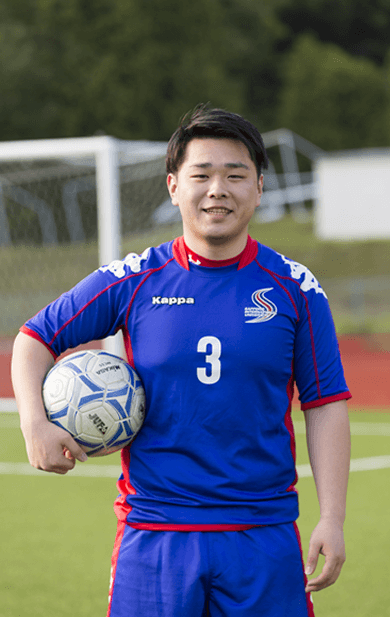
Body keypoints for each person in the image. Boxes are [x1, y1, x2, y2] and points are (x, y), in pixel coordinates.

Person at [12, 105, 351, 617]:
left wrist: (333, 518)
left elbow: (325, 404)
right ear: (173, 186)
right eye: (202, 174)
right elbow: (34, 337)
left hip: (263, 534)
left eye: (235, 175)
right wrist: (35, 422)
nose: (218, 189)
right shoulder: (134, 279)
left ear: (259, 187)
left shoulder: (297, 289)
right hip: (155, 536)